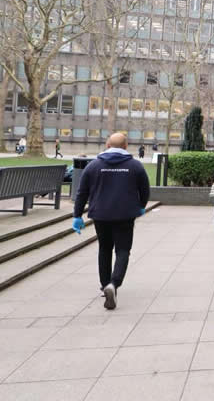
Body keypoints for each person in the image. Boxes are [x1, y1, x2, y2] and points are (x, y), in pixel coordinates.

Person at [72, 133, 150, 310]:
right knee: (123, 250)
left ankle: (105, 284)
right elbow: (145, 189)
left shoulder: (93, 166)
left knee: (104, 249)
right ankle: (114, 284)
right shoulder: (135, 166)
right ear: (126, 145)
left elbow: (81, 192)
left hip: (101, 215)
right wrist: (141, 206)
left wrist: (77, 215)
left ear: (107, 145)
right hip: (125, 215)